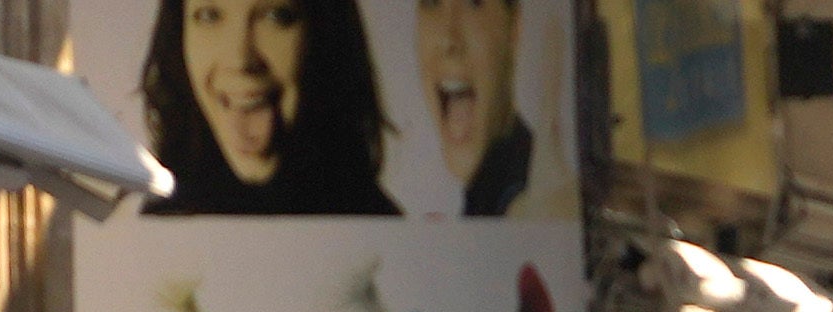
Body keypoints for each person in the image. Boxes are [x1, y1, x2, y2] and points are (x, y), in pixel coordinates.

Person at [139, 0, 398, 213]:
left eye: (277, 16)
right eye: (210, 16)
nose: (240, 58)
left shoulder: (382, 235)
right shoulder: (155, 232)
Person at [415, 0, 563, 214]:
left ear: (514, 28)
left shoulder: (526, 196)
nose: (449, 40)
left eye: (474, 4)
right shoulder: (479, 201)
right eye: (431, 3)